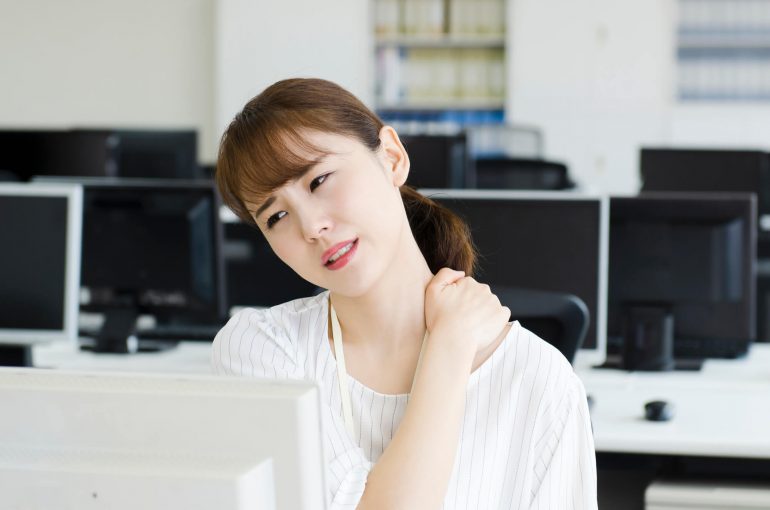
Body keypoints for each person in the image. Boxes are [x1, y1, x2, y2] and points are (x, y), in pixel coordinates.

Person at [211, 77, 597, 509]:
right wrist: (448, 346)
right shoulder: (263, 350)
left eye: (319, 181)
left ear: (392, 158)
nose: (311, 226)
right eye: (277, 215)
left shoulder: (541, 380)